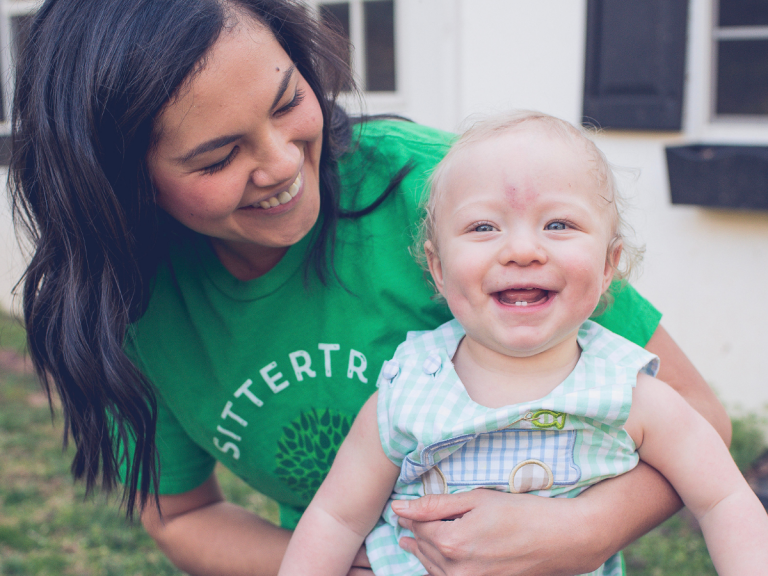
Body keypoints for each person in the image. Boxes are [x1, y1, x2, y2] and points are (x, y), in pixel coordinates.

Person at [10, 1, 732, 575]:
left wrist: (583, 532)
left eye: (288, 100)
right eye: (218, 157)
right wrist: (360, 563)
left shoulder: (457, 202)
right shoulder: (133, 305)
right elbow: (181, 515)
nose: (283, 163)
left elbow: (699, 416)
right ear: (123, 188)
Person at [278, 111, 768, 576]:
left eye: (558, 225)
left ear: (606, 267)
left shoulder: (628, 391)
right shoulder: (409, 389)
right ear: (439, 269)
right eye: (483, 227)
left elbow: (723, 498)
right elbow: (335, 519)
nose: (521, 251)